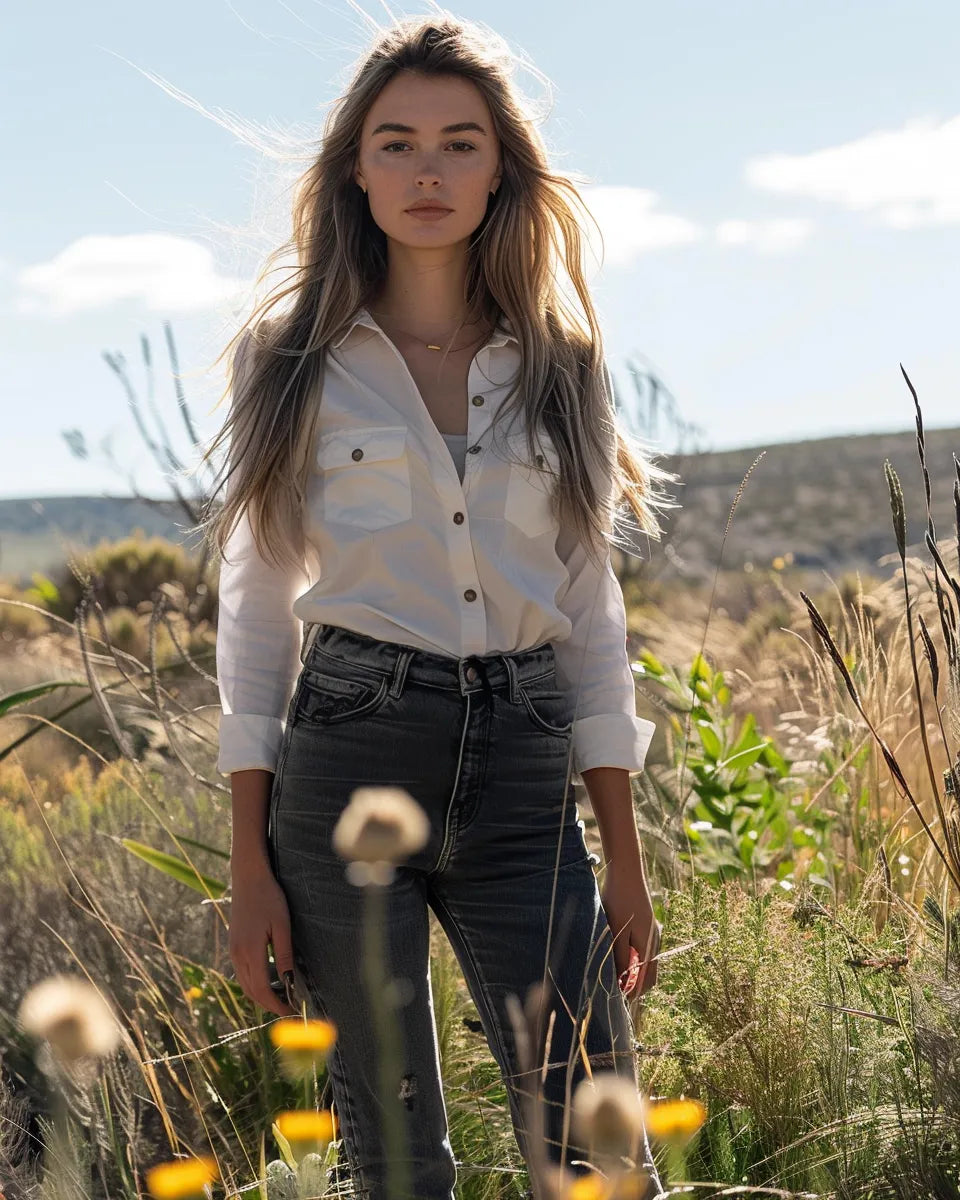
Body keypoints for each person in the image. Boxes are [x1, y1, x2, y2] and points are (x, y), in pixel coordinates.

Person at [199, 14, 677, 1199]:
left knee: (598, 1150)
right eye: (397, 142)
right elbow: (258, 605)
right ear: (354, 170)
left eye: (460, 144)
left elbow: (589, 606)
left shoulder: (560, 362)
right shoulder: (292, 356)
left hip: (525, 770)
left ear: (501, 167)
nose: (427, 170)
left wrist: (620, 853)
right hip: (351, 749)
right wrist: (248, 863)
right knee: (400, 1162)